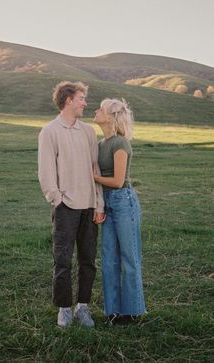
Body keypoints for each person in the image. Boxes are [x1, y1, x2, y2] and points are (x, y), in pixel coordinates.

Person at [38, 81, 105, 328]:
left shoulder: (88, 131)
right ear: (68, 100)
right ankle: (64, 308)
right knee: (63, 261)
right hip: (65, 207)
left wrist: (99, 204)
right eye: (81, 98)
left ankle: (82, 308)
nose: (85, 103)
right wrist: (58, 199)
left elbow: (94, 169)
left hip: (89, 207)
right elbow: (45, 173)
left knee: (88, 260)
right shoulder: (49, 131)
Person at [93, 98, 147, 324]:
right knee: (108, 259)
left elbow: (117, 181)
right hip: (106, 203)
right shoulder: (100, 143)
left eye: (101, 109)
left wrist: (91, 177)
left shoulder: (120, 144)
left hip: (123, 202)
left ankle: (133, 312)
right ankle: (113, 312)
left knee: (129, 258)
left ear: (111, 117)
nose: (96, 111)